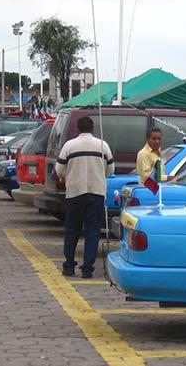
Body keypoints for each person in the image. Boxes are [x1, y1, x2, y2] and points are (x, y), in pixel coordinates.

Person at [55, 116, 114, 278]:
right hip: (96, 193)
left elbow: (59, 170)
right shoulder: (103, 145)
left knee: (72, 230)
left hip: (75, 193)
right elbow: (110, 170)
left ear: (77, 129)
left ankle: (69, 266)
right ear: (92, 129)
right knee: (92, 232)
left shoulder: (69, 146)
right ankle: (87, 269)